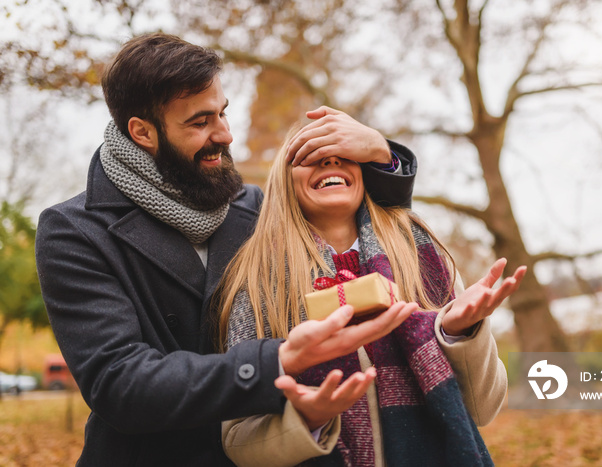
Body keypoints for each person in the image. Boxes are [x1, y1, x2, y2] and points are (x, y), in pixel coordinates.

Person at [34, 33, 420, 466]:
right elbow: (121, 384)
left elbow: (357, 228)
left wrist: (382, 156)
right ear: (142, 132)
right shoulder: (74, 230)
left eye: (223, 113)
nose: (225, 134)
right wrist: (279, 359)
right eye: (200, 123)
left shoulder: (252, 205)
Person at [218, 126, 527, 466]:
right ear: (283, 181)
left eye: (343, 155)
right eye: (308, 157)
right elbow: (238, 440)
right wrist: (308, 421)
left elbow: (484, 409)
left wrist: (459, 333)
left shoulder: (419, 251)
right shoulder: (256, 280)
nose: (330, 160)